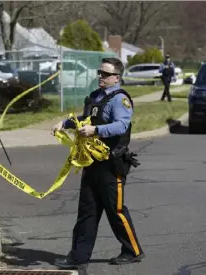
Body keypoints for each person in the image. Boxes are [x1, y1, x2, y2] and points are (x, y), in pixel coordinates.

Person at [51, 57, 144, 270]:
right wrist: (64, 123)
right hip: (91, 161)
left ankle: (133, 251)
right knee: (87, 210)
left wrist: (97, 131)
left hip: (112, 163)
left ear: (117, 77)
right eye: (99, 73)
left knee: (116, 210)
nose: (100, 77)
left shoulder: (120, 100)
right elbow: (86, 118)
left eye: (105, 74)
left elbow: (121, 125)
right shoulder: (96, 97)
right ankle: (78, 256)